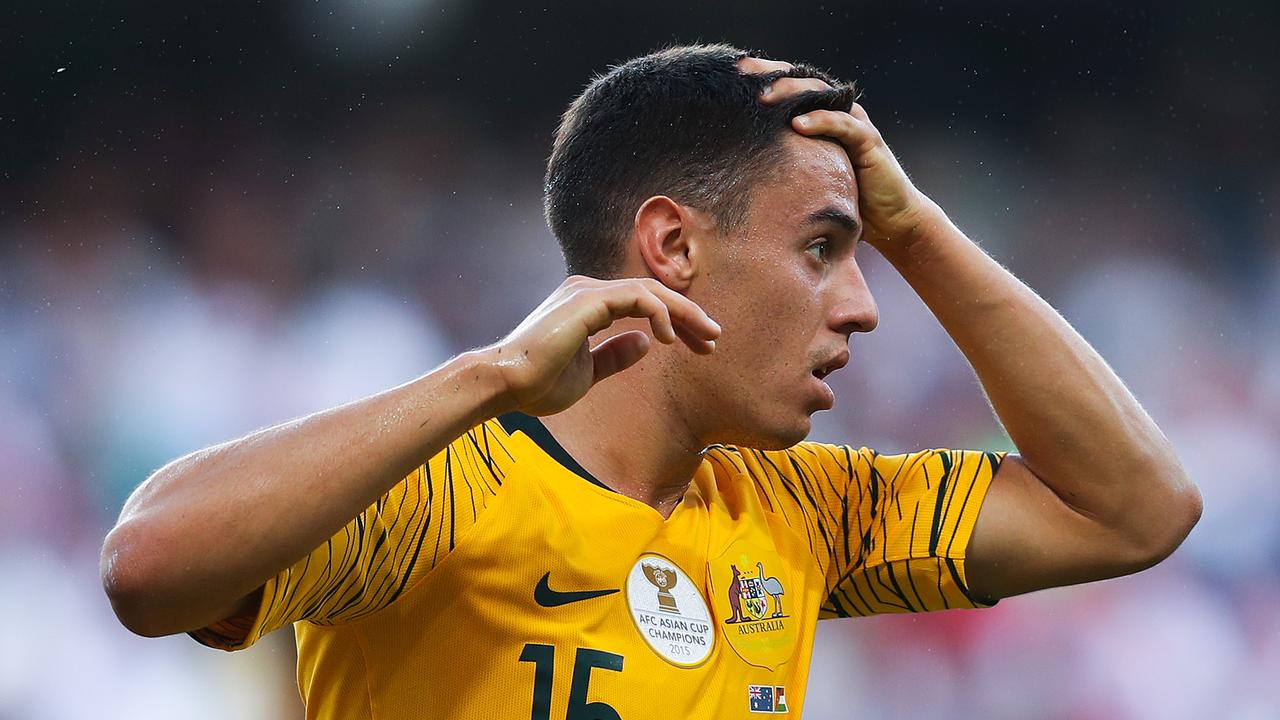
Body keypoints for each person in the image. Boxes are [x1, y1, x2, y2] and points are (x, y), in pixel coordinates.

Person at [100, 44, 1201, 719]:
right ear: (670, 247)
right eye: (823, 248)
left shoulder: (803, 512)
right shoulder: (440, 485)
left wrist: (915, 229)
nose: (863, 303)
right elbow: (145, 569)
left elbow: (1136, 509)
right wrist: (485, 378)